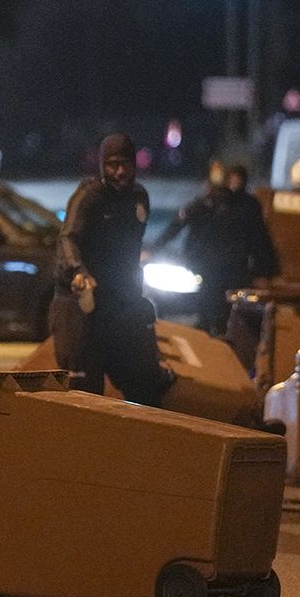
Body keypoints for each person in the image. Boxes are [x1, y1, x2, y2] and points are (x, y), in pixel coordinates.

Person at [52, 133, 173, 404]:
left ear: (134, 165)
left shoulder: (139, 198)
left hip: (120, 303)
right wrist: (78, 270)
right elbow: (68, 237)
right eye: (111, 166)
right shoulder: (90, 196)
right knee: (85, 387)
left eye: (124, 165)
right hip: (85, 303)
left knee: (145, 382)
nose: (119, 172)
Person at [148, 163, 280, 335]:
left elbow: (259, 239)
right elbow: (179, 223)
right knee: (211, 310)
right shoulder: (208, 202)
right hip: (210, 268)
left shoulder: (246, 206)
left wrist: (265, 270)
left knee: (223, 313)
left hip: (230, 269)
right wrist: (154, 248)